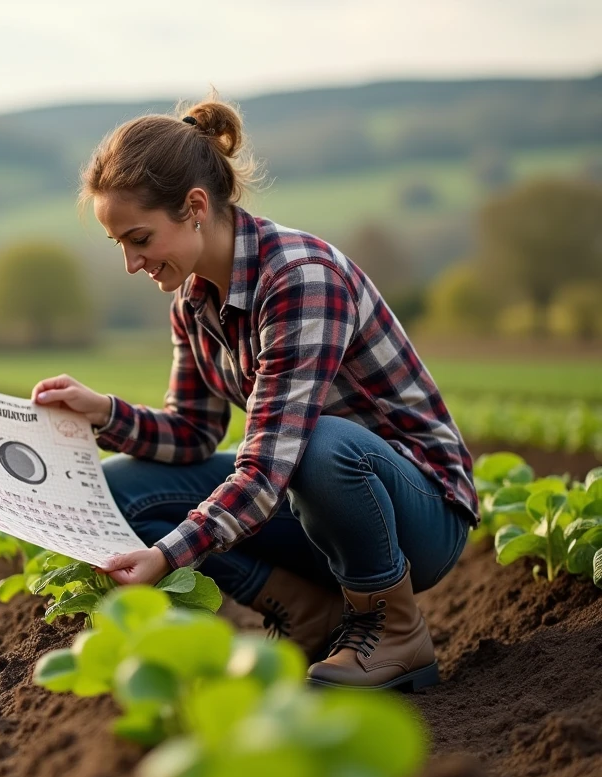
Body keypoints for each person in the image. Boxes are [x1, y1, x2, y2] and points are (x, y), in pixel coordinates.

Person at [30, 96, 479, 691]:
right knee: (120, 491)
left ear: (194, 207)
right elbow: (192, 433)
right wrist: (103, 413)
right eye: (121, 245)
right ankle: (307, 610)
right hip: (313, 506)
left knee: (319, 443)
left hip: (417, 515)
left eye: (139, 238)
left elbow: (271, 463)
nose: (132, 263)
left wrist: (168, 555)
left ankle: (394, 629)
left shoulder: (299, 278)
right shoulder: (192, 303)